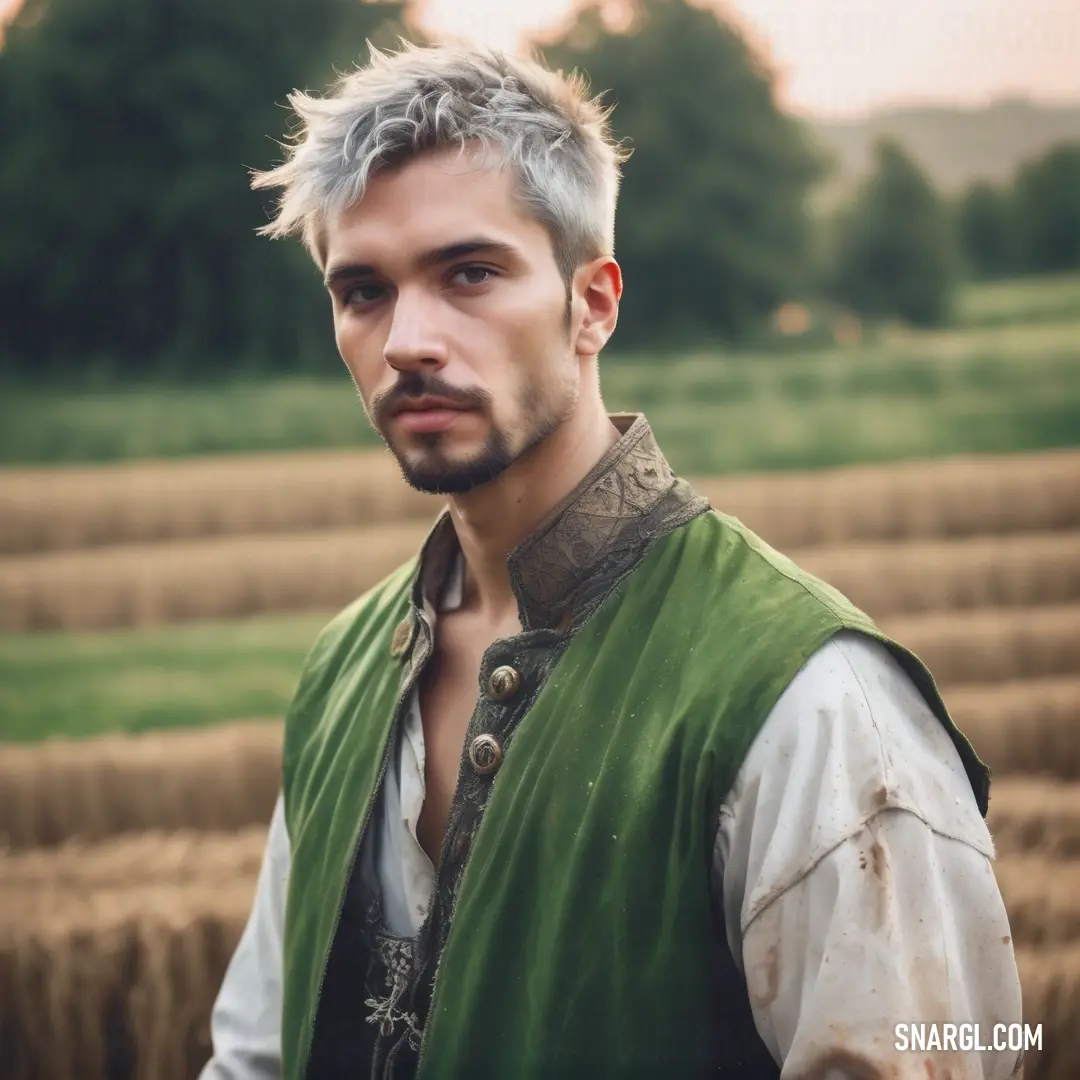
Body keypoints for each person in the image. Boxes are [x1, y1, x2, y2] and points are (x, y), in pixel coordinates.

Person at [200, 41, 1023, 1080]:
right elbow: (254, 1059)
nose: (408, 337)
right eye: (362, 291)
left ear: (593, 303)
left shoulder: (814, 704)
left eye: (470, 274)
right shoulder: (340, 672)